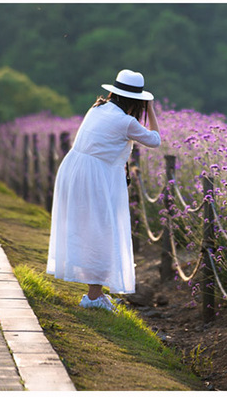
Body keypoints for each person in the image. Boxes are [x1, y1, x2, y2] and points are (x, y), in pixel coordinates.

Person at [46, 69, 161, 311]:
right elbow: (155, 140)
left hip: (76, 169)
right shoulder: (125, 121)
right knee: (102, 232)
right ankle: (93, 297)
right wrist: (151, 109)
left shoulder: (98, 108)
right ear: (137, 100)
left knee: (90, 229)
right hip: (96, 177)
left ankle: (94, 293)